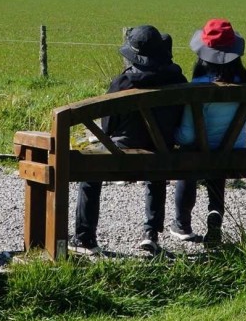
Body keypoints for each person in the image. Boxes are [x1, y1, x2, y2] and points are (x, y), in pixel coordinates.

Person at [69, 25, 187, 256]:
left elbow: (107, 127)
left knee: (89, 172)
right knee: (157, 170)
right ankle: (150, 234)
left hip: (122, 151)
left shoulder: (123, 83)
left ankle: (84, 238)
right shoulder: (178, 78)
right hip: (162, 151)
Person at [170, 18, 246, 246]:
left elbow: (188, 135)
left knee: (190, 155)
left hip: (200, 151)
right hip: (235, 150)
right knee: (218, 157)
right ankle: (215, 215)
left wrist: (174, 137)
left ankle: (182, 224)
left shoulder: (198, 86)